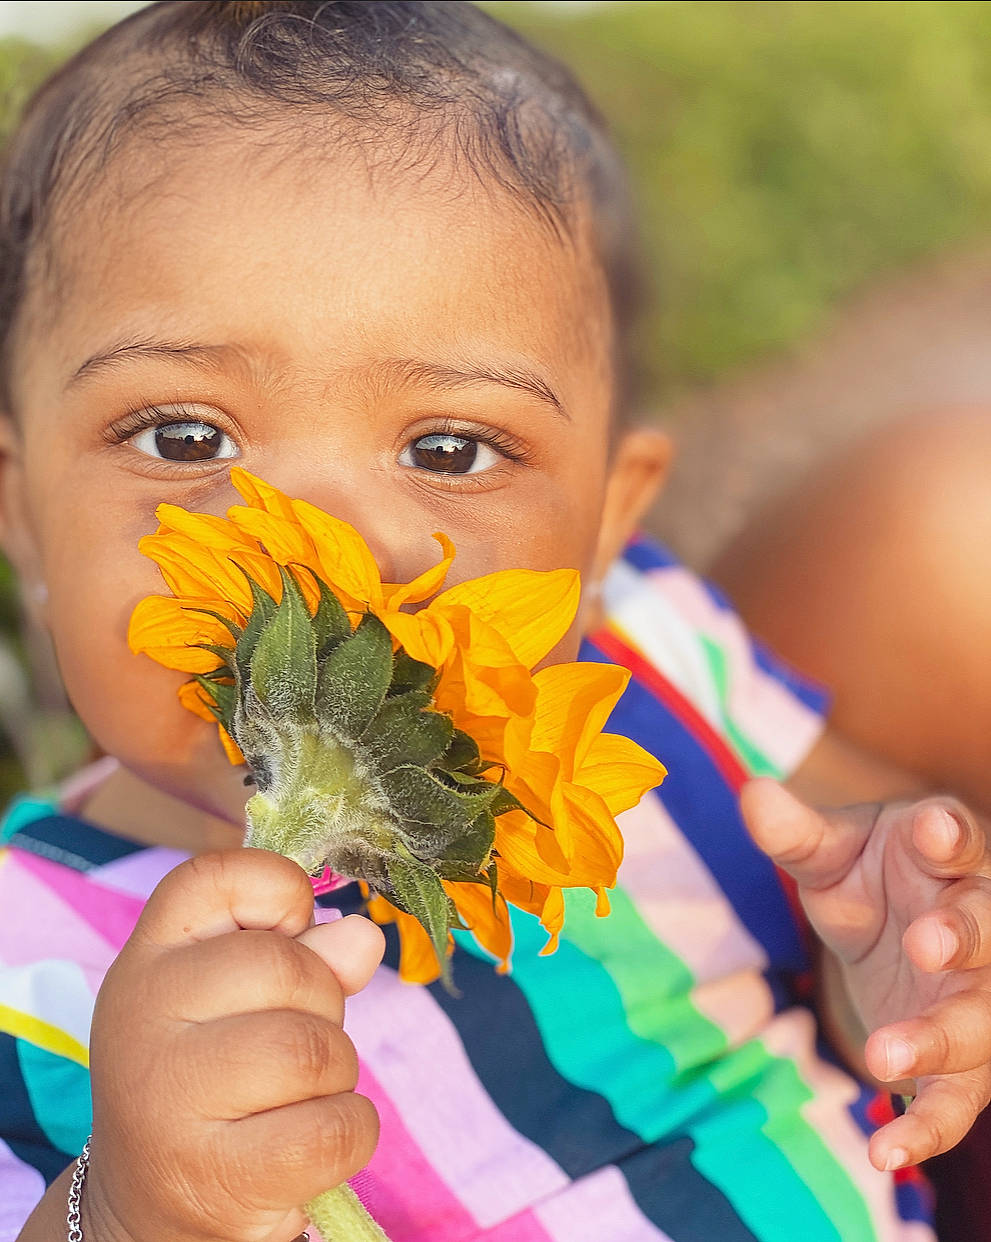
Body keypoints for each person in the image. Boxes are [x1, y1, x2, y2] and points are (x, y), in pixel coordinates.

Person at [0, 4, 989, 1239]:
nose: (335, 546)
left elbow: (839, 954)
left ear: (605, 519)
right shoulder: (23, 960)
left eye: (451, 448)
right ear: (24, 506)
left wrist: (892, 981)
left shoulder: (656, 674)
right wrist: (140, 1205)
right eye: (183, 437)